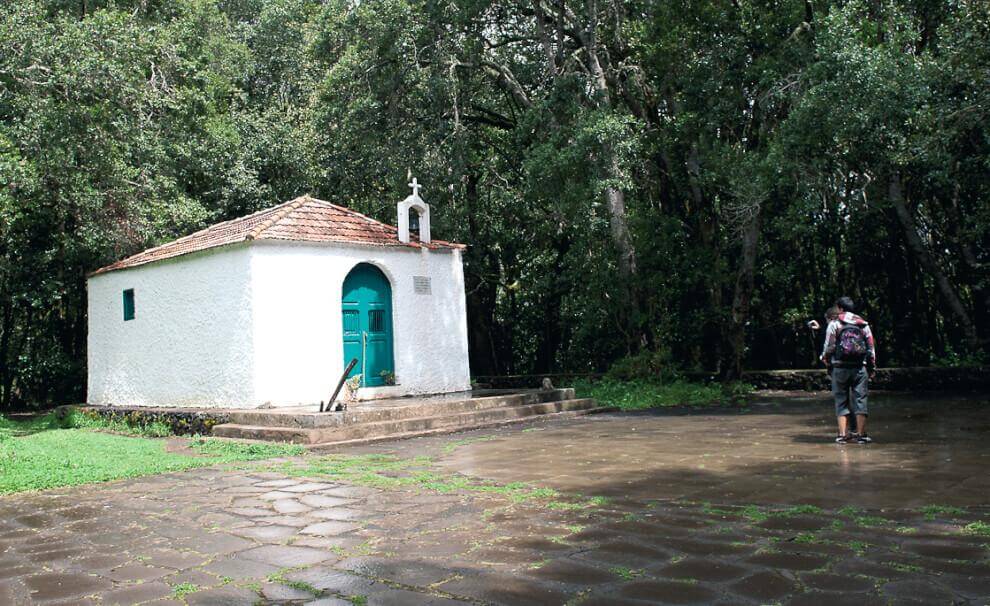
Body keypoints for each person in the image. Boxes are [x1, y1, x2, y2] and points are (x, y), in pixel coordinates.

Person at [821, 296, 876, 444]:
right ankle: (862, 435)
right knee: (860, 400)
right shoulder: (863, 324)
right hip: (859, 367)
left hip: (839, 368)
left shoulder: (834, 324)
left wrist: (827, 363)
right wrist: (871, 368)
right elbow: (871, 349)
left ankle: (843, 435)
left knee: (841, 401)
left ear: (840, 308)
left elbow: (828, 347)